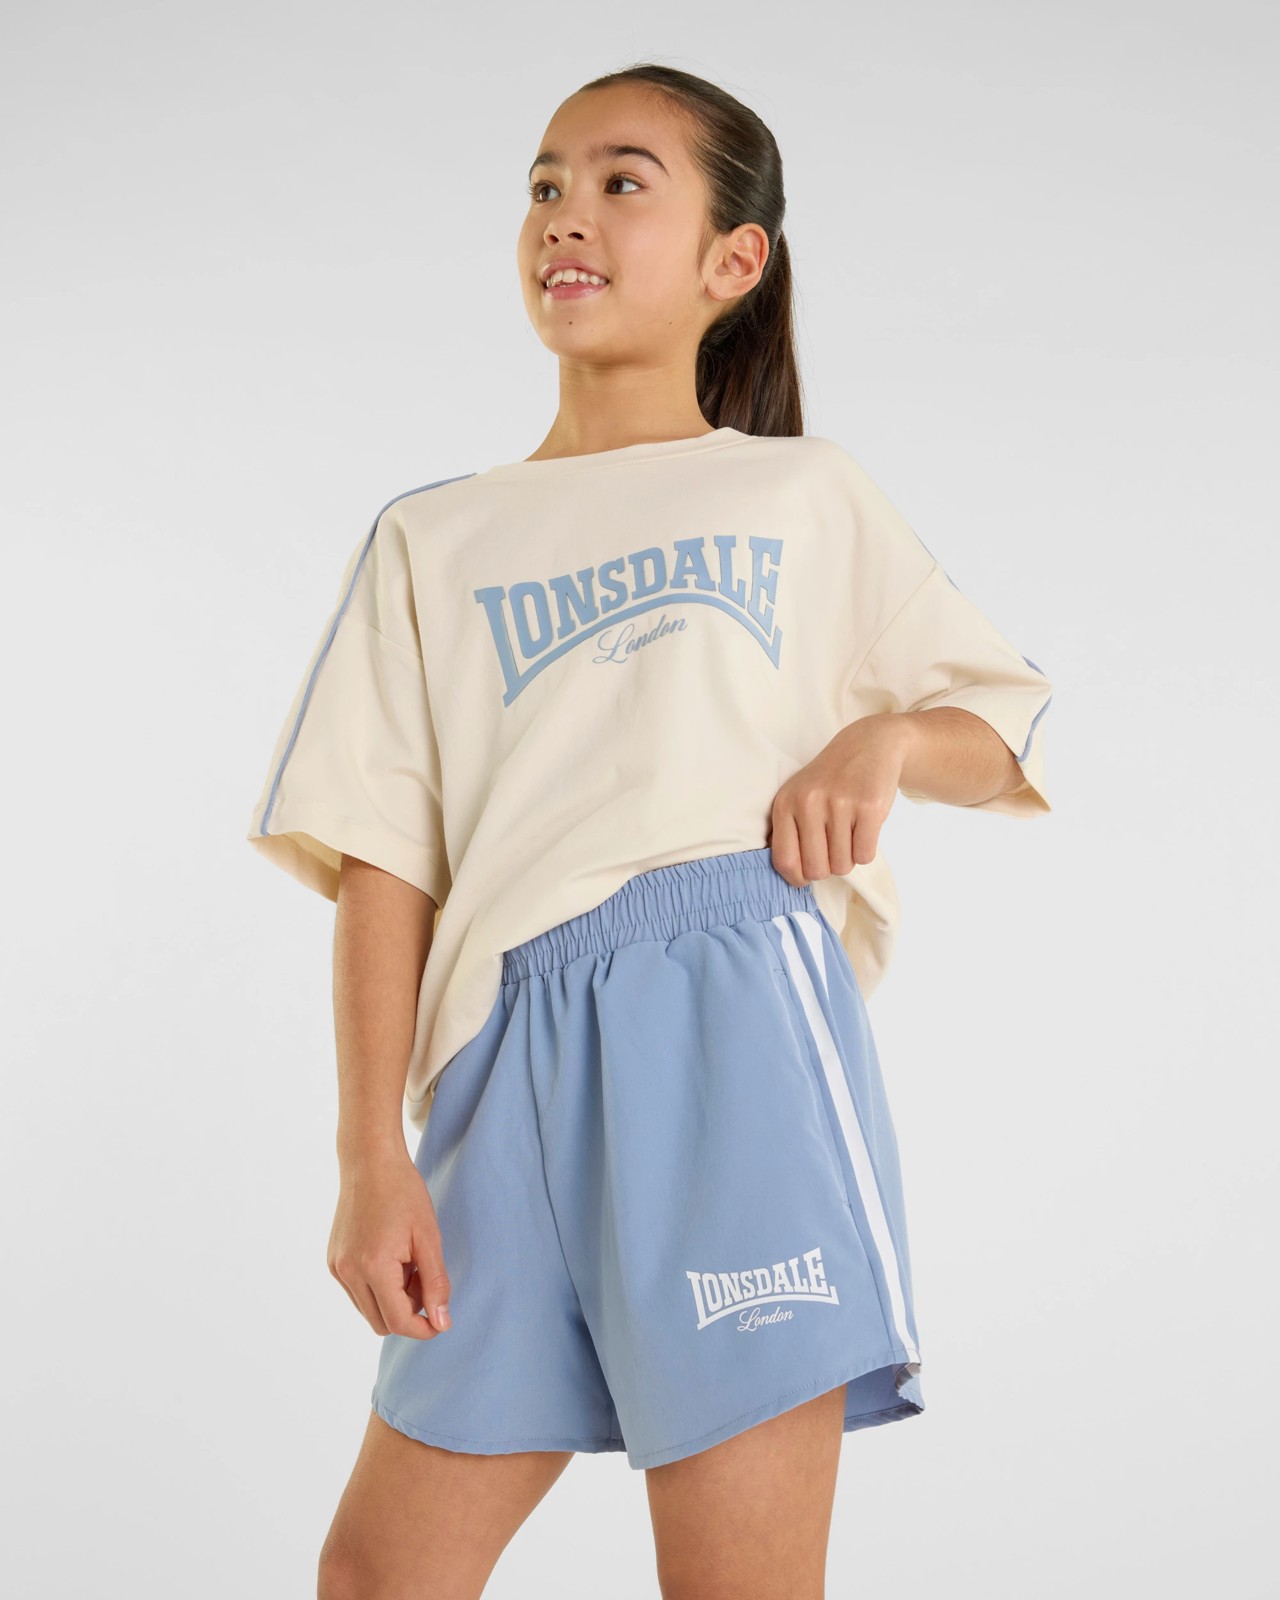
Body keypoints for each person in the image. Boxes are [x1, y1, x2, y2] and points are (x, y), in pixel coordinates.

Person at [245, 63, 1052, 1600]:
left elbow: (995, 722)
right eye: (546, 185)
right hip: (500, 1051)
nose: (568, 216)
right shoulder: (431, 537)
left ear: (734, 260)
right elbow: (382, 857)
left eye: (623, 182)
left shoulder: (802, 494)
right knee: (378, 1575)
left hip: (726, 1025)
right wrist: (369, 1155)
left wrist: (880, 740)